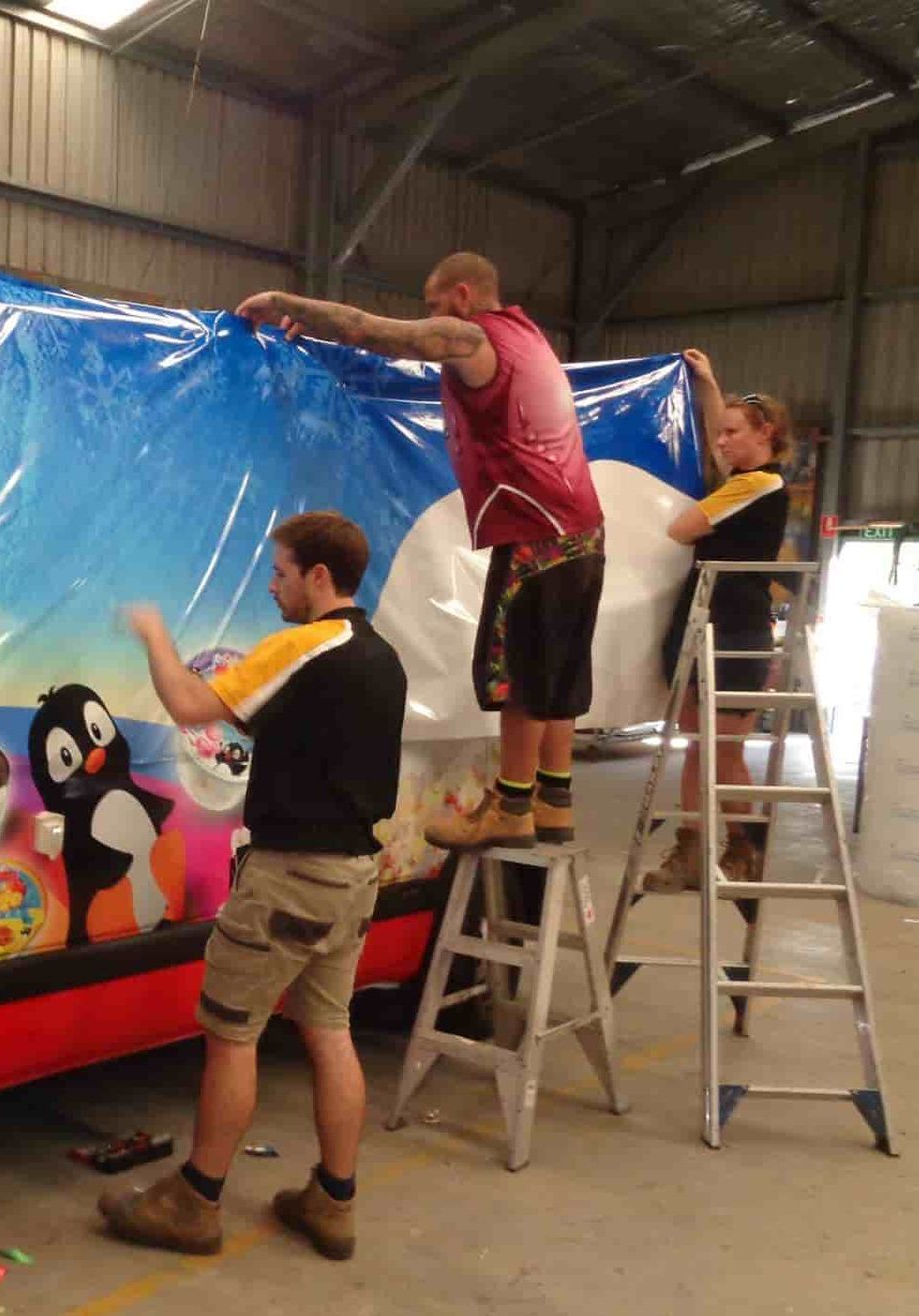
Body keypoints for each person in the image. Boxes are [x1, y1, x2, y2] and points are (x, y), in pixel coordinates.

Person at [99, 511, 406, 1261]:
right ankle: (334, 1202)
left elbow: (190, 706)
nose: (273, 587)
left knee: (233, 1034)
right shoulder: (381, 656)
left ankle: (195, 1201)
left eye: (280, 573)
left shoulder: (302, 645)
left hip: (290, 877)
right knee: (329, 1030)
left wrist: (154, 638)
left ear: (319, 578)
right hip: (353, 876)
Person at [236, 253, 603, 851]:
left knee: (522, 678)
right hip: (584, 534)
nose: (430, 318)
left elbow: (372, 331)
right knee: (558, 674)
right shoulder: (530, 337)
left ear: (462, 295)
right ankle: (552, 799)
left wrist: (290, 305)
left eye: (434, 305)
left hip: (538, 537)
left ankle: (512, 806)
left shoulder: (474, 337)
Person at [644, 351, 792, 891]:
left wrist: (703, 507)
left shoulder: (756, 485)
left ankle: (742, 847)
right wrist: (708, 383)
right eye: (721, 432)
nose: (721, 441)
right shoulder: (744, 481)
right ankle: (690, 851)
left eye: (733, 433)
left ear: (766, 432)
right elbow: (718, 433)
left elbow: (682, 529)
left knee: (721, 748)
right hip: (703, 621)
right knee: (697, 745)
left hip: (737, 629)